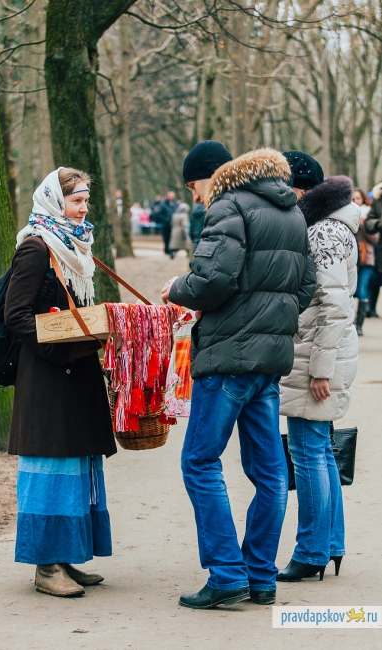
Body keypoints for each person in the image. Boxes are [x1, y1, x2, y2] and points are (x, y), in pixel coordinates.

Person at [161, 140, 316, 609]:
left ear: (215, 175)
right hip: (269, 362)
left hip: (228, 360)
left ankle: (228, 574)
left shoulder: (228, 205)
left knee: (199, 462)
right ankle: (261, 576)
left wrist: (176, 288)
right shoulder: (291, 210)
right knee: (270, 473)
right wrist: (270, 321)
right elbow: (305, 285)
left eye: (194, 186)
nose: (194, 197)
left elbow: (212, 281)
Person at [5, 167, 117, 598]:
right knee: (51, 470)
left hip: (75, 373)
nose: (84, 208)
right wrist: (63, 350)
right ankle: (45, 566)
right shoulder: (36, 247)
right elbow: (15, 316)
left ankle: (66, 555)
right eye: (76, 201)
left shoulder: (75, 247)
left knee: (74, 467)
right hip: (48, 378)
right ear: (54, 201)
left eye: (86, 200)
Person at [279, 156, 359, 582]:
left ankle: (311, 550)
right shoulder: (329, 225)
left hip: (317, 354)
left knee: (308, 451)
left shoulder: (323, 231)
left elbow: (334, 305)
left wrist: (321, 369)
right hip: (320, 351)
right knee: (320, 449)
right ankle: (330, 544)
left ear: (298, 189)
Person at [353, 188, 378, 335]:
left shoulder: (369, 214)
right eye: (353, 198)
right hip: (352, 258)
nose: (355, 201)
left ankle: (359, 325)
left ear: (363, 199)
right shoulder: (346, 214)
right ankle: (349, 323)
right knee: (350, 291)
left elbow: (375, 238)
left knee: (362, 290)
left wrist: (364, 225)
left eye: (358, 198)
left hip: (366, 258)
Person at [365, 181, 382, 316]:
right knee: (376, 280)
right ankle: (370, 308)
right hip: (380, 250)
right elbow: (368, 223)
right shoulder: (378, 201)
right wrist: (378, 223)